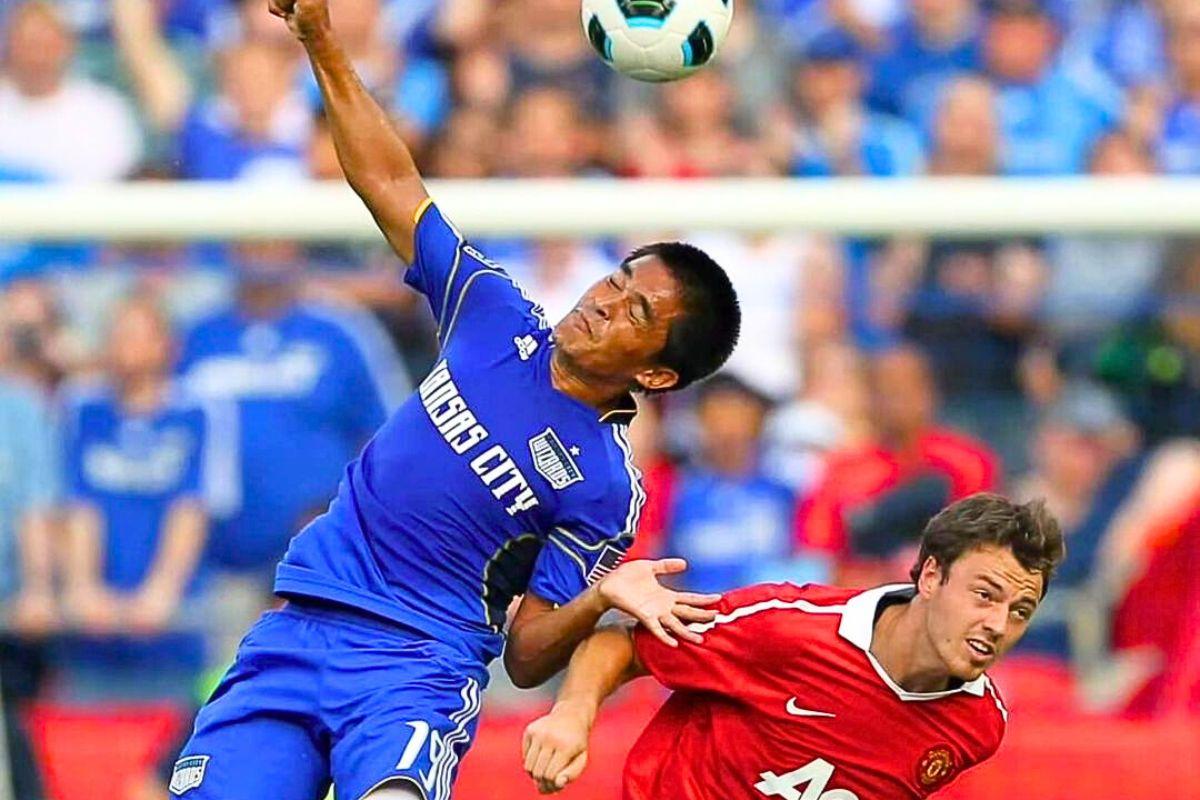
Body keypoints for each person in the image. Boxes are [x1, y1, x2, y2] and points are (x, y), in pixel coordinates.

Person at [170, 3, 741, 800]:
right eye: (617, 279)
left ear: (656, 377)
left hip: (416, 668)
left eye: (637, 312)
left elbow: (529, 653)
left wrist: (601, 598)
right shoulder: (494, 313)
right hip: (298, 628)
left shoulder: (604, 486)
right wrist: (320, 41)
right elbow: (391, 184)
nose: (606, 301)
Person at [522, 493, 1065, 799]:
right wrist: (571, 715)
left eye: (1020, 611)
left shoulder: (978, 727)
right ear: (930, 577)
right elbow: (626, 645)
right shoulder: (787, 627)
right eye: (984, 595)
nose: (998, 624)